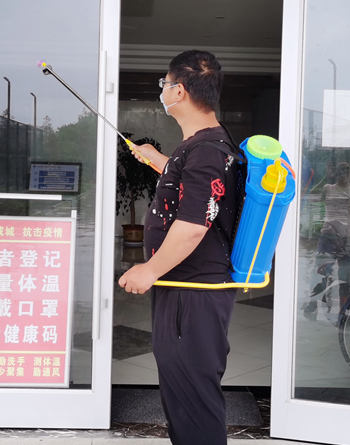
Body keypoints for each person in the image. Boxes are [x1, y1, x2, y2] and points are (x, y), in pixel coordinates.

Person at [118, 50, 242, 445]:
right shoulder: (205, 145)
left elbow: (193, 225)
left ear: (180, 91)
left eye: (165, 84)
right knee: (183, 388)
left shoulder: (205, 150)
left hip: (194, 291)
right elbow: (200, 189)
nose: (163, 91)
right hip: (188, 288)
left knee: (193, 394)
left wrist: (148, 270)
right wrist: (160, 161)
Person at [303, 161, 350, 322]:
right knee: (319, 272)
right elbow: (312, 196)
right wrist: (325, 177)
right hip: (328, 237)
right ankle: (313, 303)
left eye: (346, 171)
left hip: (349, 238)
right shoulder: (328, 188)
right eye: (340, 171)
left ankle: (344, 312)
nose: (342, 174)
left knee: (346, 277)